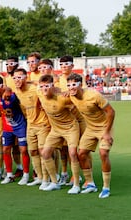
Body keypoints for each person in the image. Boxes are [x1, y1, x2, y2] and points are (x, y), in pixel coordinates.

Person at [67, 73, 115, 199]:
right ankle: (91, 184)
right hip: (90, 128)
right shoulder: (71, 96)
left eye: (74, 85)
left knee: (103, 153)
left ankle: (106, 188)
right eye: (69, 85)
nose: (71, 87)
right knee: (81, 154)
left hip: (104, 128)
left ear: (80, 85)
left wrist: (107, 132)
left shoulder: (94, 95)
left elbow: (111, 111)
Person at [37, 74, 81, 193]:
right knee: (45, 154)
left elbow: (80, 97)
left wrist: (66, 91)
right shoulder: (40, 94)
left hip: (71, 128)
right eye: (42, 86)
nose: (44, 89)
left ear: (53, 86)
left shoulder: (63, 97)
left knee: (72, 153)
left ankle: (76, 184)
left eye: (47, 86)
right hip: (55, 130)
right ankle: (54, 182)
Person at [12, 68, 50, 188]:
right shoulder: (15, 92)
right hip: (30, 124)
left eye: (20, 77)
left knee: (42, 151)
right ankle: (39, 177)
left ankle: (46, 179)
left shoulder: (35, 89)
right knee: (32, 151)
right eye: (14, 78)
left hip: (43, 123)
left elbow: (48, 94)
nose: (17, 80)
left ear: (25, 78)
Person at [0, 76, 30, 185]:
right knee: (6, 149)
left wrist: (8, 90)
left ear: (2, 86)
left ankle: (26, 175)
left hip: (20, 126)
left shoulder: (10, 96)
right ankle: (9, 175)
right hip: (7, 127)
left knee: (23, 149)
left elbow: (10, 92)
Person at [57, 55, 87, 186]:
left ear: (72, 66)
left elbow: (83, 92)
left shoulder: (79, 78)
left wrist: (69, 92)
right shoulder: (57, 80)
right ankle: (68, 174)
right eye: (62, 64)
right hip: (65, 121)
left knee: (81, 149)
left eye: (66, 64)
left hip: (79, 118)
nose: (64, 67)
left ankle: (85, 176)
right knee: (65, 149)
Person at [2, 56, 23, 178]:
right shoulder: (6, 78)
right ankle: (19, 168)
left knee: (28, 146)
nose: (9, 65)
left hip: (25, 114)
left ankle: (38, 170)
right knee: (14, 145)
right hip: (12, 115)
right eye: (7, 64)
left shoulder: (22, 75)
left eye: (11, 63)